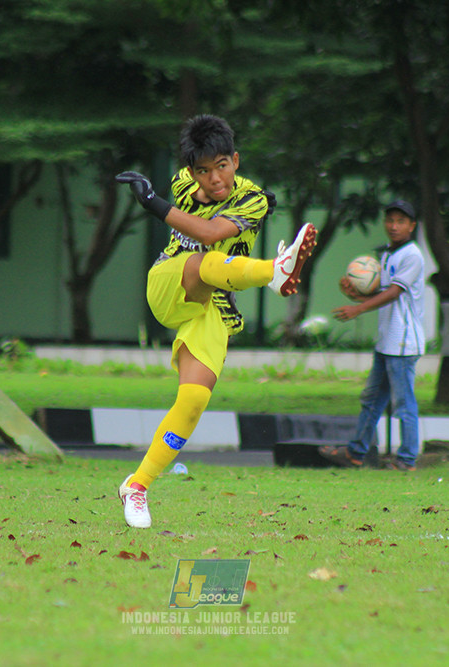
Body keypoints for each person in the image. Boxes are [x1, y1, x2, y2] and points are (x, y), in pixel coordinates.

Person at [114, 114, 316, 528]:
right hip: (170, 283)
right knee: (203, 262)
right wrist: (162, 200)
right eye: (203, 171)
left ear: (236, 161)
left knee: (193, 401)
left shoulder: (253, 198)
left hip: (213, 307)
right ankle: (274, 272)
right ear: (191, 172)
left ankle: (137, 486)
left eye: (221, 166)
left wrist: (153, 205)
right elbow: (204, 235)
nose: (214, 179)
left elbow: (210, 231)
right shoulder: (182, 185)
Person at [319, 200, 426, 471]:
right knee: (372, 399)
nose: (393, 225)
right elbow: (384, 292)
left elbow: (394, 293)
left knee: (403, 403)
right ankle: (355, 453)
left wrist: (358, 308)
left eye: (401, 221)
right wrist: (356, 295)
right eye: (390, 220)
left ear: (412, 226)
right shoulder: (390, 254)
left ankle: (407, 459)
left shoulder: (412, 255)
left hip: (403, 342)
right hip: (387, 341)